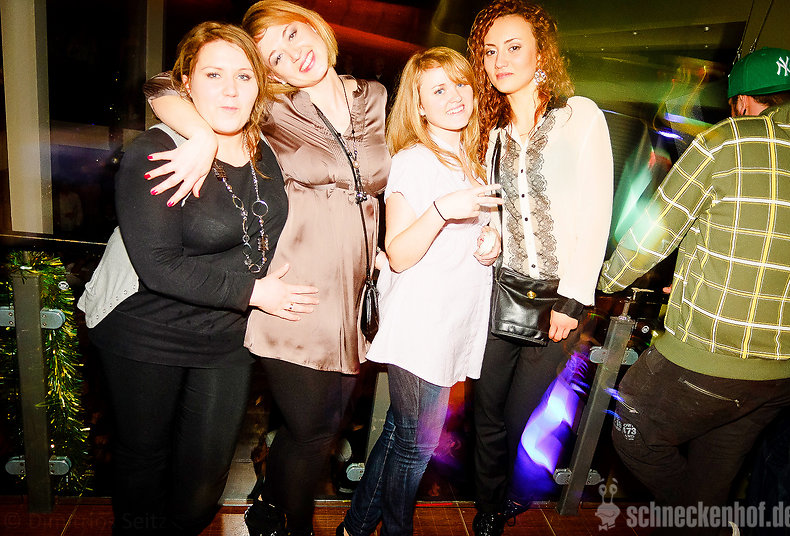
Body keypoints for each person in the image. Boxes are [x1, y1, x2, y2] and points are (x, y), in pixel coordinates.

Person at [143, 2, 391, 534]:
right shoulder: (270, 108)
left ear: (314, 24)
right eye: (273, 57)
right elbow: (162, 86)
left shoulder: (375, 97)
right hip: (294, 291)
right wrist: (201, 136)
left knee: (325, 427)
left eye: (293, 34)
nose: (293, 55)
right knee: (311, 432)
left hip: (360, 293)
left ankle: (269, 501)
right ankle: (291, 524)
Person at [82, 22, 319, 536]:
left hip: (226, 334)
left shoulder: (265, 148)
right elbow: (159, 265)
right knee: (143, 459)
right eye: (214, 75)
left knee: (203, 480)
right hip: (146, 330)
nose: (231, 89)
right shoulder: (158, 150)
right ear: (186, 83)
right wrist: (257, 291)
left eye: (244, 76)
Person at [598, 47, 790, 535]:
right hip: (785, 374)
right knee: (714, 467)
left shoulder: (729, 141)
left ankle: (709, 521)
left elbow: (656, 231)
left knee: (632, 427)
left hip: (710, 358)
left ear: (742, 102)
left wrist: (602, 283)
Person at [339, 47, 503, 536]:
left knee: (400, 434)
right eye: (439, 89)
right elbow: (400, 252)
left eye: (461, 84)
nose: (455, 96)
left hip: (450, 321)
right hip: (421, 325)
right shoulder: (414, 161)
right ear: (419, 105)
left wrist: (489, 243)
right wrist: (442, 210)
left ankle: (355, 526)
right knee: (417, 446)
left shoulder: (472, 160)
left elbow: (465, 243)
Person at [466, 1, 614, 534]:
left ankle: (508, 491)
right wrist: (488, 234)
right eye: (490, 51)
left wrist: (572, 300)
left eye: (514, 47)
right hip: (501, 291)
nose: (500, 61)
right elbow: (494, 211)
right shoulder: (491, 133)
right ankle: (488, 507)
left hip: (556, 299)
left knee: (516, 414)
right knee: (485, 411)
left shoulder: (579, 118)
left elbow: (597, 212)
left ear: (540, 54)